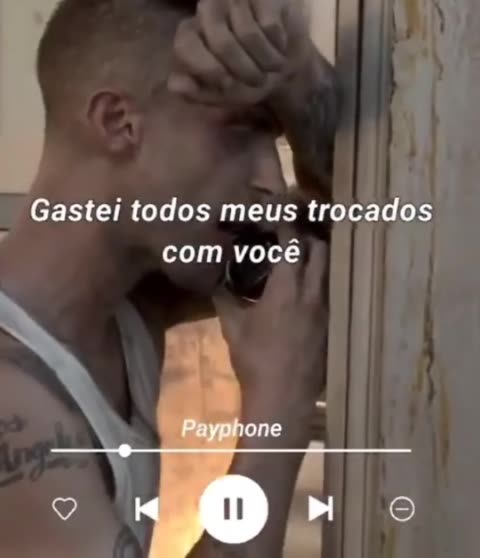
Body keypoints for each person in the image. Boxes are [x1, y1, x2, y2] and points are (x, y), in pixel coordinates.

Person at [0, 0, 338, 556]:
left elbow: (358, 236)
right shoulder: (16, 401)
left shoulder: (129, 306)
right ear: (119, 122)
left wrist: (300, 75)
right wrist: (279, 409)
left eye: (272, 142)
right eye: (239, 132)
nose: (270, 181)